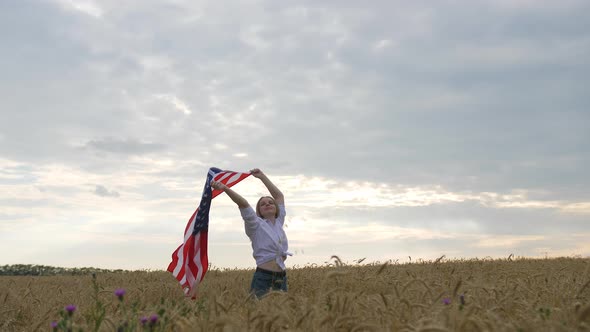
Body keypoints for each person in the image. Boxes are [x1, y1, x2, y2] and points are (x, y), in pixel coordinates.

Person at [210, 168, 291, 298]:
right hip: (264, 278)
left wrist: (262, 176)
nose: (267, 204)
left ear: (276, 208)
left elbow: (279, 196)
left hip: (282, 278)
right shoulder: (255, 225)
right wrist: (225, 188)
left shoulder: (279, 223)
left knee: (282, 316)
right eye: (263, 204)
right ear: (259, 211)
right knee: (259, 315)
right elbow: (243, 204)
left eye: (270, 203)